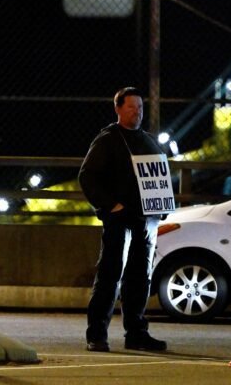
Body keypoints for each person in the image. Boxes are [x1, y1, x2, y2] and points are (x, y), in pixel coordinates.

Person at [79, 87, 168, 353]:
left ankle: (137, 333)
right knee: (110, 276)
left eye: (140, 107)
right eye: (131, 107)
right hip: (120, 220)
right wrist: (111, 206)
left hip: (147, 220)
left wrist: (162, 206)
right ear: (118, 109)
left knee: (141, 279)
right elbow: (87, 176)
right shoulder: (107, 140)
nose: (137, 112)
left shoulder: (149, 141)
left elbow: (161, 178)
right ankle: (97, 334)